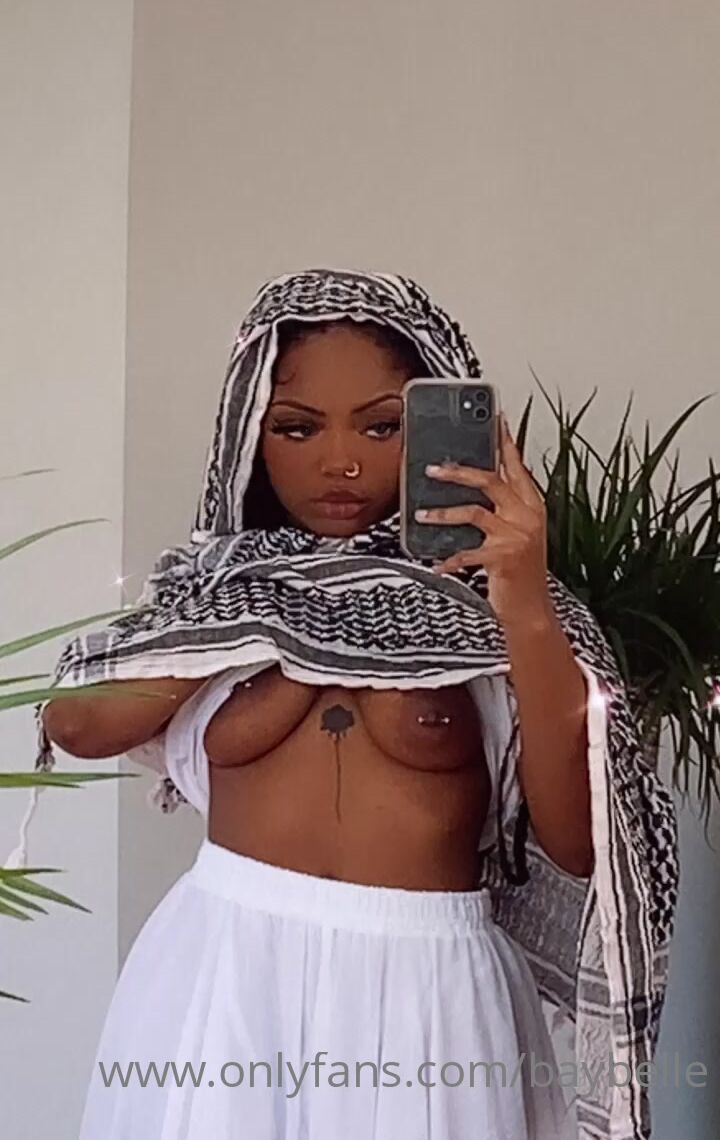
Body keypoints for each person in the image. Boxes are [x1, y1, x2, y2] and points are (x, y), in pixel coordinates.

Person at [36, 269, 678, 1140]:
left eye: (382, 427)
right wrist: (283, 614)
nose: (339, 461)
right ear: (247, 435)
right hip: (226, 972)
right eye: (296, 428)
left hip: (427, 995)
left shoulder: (501, 610)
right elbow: (76, 725)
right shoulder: (217, 591)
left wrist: (523, 599)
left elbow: (576, 844)